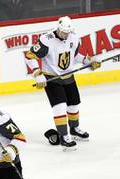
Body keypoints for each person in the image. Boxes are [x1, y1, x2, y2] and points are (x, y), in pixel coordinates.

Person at [25, 16, 101, 151]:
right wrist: (37, 73)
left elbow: (75, 56)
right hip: (52, 78)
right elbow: (29, 56)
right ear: (58, 29)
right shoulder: (46, 40)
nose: (65, 35)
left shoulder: (73, 37)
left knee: (74, 104)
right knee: (59, 107)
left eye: (67, 32)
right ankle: (64, 136)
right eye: (63, 32)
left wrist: (88, 61)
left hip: (68, 76)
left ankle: (74, 129)